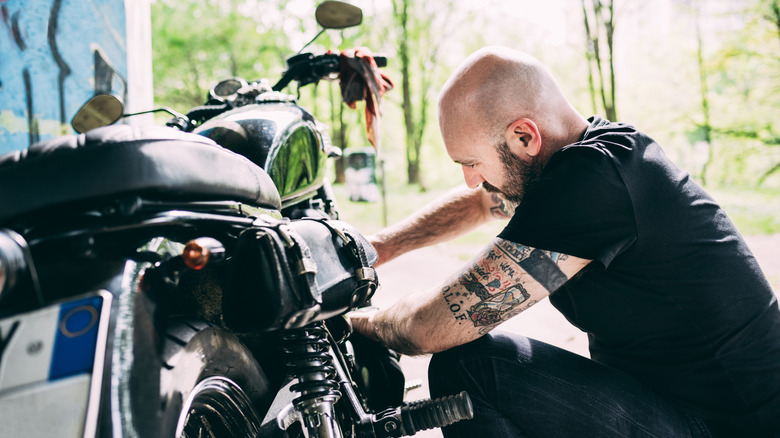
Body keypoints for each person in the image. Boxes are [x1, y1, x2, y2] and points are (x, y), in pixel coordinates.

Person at [349, 46, 780, 437]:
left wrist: (359, 323)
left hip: (722, 427)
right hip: (675, 406)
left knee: (473, 369)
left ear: (524, 136)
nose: (471, 178)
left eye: (472, 162)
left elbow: (433, 327)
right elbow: (483, 204)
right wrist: (373, 248)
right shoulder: (591, 160)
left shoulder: (591, 187)